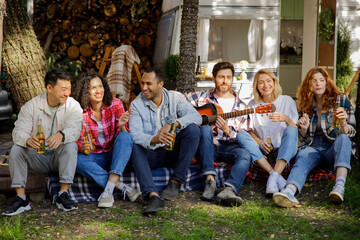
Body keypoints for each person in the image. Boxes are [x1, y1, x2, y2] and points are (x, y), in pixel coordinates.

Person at [2, 68, 83, 216]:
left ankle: (63, 194)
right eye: (63, 89)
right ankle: (21, 199)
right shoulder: (31, 106)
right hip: (37, 157)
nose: (67, 93)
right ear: (49, 88)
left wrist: (62, 135)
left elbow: (75, 128)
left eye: (69, 89)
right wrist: (26, 139)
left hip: (60, 158)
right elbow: (18, 131)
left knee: (71, 145)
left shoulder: (73, 106)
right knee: (16, 149)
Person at [273, 67, 356, 207]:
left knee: (344, 139)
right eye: (314, 81)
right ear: (309, 85)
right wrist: (304, 130)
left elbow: (352, 132)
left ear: (327, 83)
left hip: (333, 145)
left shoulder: (340, 99)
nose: (318, 84)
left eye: (322, 80)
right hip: (313, 146)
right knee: (303, 157)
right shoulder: (306, 103)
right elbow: (303, 138)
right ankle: (289, 191)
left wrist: (343, 123)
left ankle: (339, 187)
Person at [129, 67, 202, 214]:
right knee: (136, 146)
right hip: (152, 156)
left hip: (172, 152)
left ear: (160, 84)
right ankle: (153, 196)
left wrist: (173, 124)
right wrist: (154, 139)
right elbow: (135, 134)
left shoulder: (175, 98)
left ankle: (176, 182)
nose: (144, 88)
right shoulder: (136, 104)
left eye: (148, 84)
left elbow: (197, 117)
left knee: (193, 130)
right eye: (142, 83)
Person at [186, 61, 251, 206]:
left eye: (228, 77)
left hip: (226, 147)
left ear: (232, 79)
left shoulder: (241, 106)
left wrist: (228, 131)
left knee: (245, 154)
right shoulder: (202, 97)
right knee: (205, 128)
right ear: (213, 78)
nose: (225, 81)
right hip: (204, 146)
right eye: (221, 77)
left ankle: (229, 190)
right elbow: (178, 101)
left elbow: (243, 136)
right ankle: (210, 181)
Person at [72, 72, 140, 208]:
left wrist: (121, 126)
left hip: (114, 157)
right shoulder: (78, 111)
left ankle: (108, 190)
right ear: (85, 92)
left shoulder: (115, 104)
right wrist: (82, 147)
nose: (98, 91)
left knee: (125, 136)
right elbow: (75, 140)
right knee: (76, 159)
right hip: (93, 158)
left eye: (100, 86)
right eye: (93, 88)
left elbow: (124, 141)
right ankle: (121, 186)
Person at [236, 69, 298, 196]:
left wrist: (286, 119)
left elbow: (294, 131)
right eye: (261, 83)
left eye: (269, 81)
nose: (266, 85)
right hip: (263, 151)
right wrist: (259, 142)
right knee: (241, 135)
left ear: (274, 82)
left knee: (291, 129)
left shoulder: (287, 101)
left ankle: (273, 178)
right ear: (257, 87)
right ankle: (276, 176)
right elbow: (250, 131)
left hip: (284, 150)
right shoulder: (252, 104)